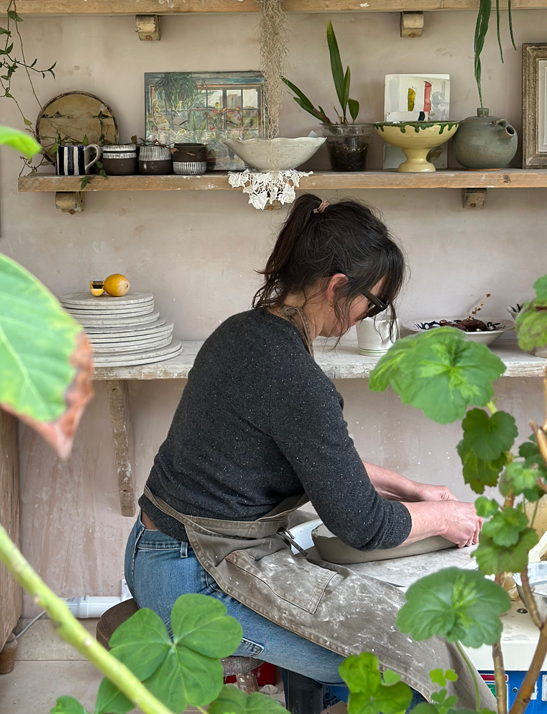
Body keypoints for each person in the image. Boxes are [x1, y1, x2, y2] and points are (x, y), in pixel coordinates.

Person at [125, 194, 489, 712]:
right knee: (418, 671)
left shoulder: (242, 331)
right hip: (195, 579)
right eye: (374, 302)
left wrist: (411, 491)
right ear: (338, 286)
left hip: (153, 550)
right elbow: (363, 527)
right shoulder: (294, 378)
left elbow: (307, 455)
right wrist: (447, 517)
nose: (370, 313)